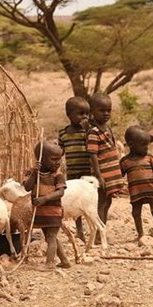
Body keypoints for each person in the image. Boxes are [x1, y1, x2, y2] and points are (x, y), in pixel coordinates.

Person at [23, 140, 71, 270]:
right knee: (51, 238)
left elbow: (60, 192)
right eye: (54, 159)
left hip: (53, 212)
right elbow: (27, 187)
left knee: (51, 236)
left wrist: (44, 199)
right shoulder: (33, 173)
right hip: (41, 213)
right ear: (41, 159)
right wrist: (35, 173)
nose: (58, 163)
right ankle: (65, 261)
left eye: (59, 159)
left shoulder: (57, 175)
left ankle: (50, 264)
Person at [87, 93, 126, 240]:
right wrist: (98, 176)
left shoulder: (107, 128)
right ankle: (98, 234)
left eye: (108, 110)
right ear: (92, 111)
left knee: (107, 201)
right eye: (102, 110)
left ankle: (101, 229)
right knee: (101, 202)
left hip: (111, 173)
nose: (106, 113)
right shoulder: (93, 132)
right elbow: (93, 155)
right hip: (102, 174)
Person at [120, 125, 153, 241]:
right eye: (143, 145)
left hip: (151, 190)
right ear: (131, 144)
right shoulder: (125, 161)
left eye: (147, 145)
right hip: (135, 193)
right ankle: (140, 234)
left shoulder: (149, 158)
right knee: (136, 213)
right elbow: (120, 175)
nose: (146, 148)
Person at [58, 96, 91, 243]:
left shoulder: (88, 132)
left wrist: (88, 130)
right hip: (72, 173)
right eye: (81, 113)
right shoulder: (63, 133)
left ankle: (93, 229)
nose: (85, 117)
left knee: (89, 201)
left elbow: (94, 145)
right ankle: (79, 231)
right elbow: (60, 153)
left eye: (87, 113)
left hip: (88, 172)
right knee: (76, 202)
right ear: (69, 115)